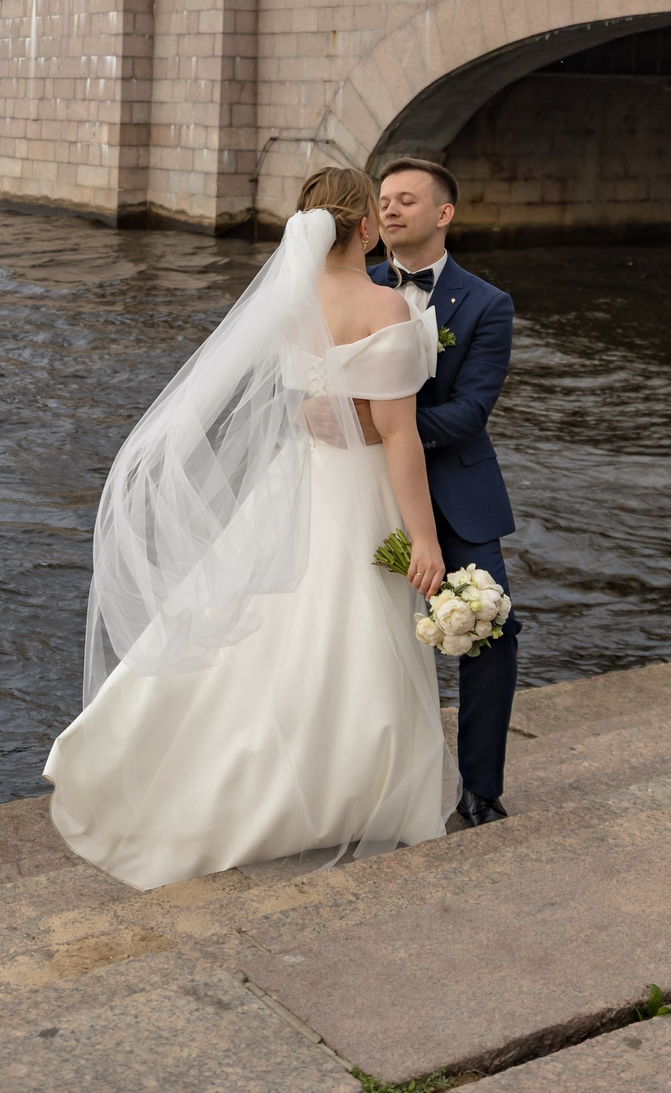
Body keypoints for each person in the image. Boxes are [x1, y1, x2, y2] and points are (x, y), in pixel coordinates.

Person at [44, 168, 447, 889]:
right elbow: (399, 436)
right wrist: (424, 536)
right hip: (359, 490)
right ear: (364, 228)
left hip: (296, 482)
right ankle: (353, 789)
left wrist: (317, 415)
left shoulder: (291, 305)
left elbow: (290, 403)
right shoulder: (385, 305)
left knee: (274, 622)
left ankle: (210, 768)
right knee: (354, 629)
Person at [372, 157, 519, 827]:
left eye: (406, 199)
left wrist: (384, 428)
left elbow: (470, 411)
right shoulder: (354, 287)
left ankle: (479, 791)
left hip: (455, 493)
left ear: (444, 213)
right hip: (364, 490)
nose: (390, 209)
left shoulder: (487, 303)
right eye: (383, 200)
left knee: (492, 628)